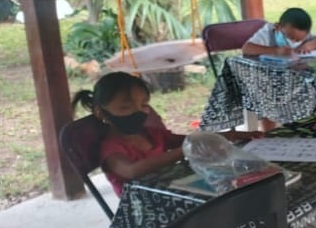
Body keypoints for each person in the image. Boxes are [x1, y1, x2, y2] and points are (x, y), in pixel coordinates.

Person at [72, 72, 257, 196]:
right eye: (125, 107)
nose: (138, 112)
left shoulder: (151, 134)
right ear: (101, 113)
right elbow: (133, 170)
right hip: (146, 209)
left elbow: (193, 140)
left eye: (144, 105)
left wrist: (226, 136)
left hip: (174, 193)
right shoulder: (111, 148)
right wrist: (182, 151)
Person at [242, 7, 316, 56]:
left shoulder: (302, 33)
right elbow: (247, 49)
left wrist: (309, 45)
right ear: (278, 26)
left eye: (298, 40)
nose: (293, 41)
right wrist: (276, 51)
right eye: (290, 37)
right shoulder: (268, 31)